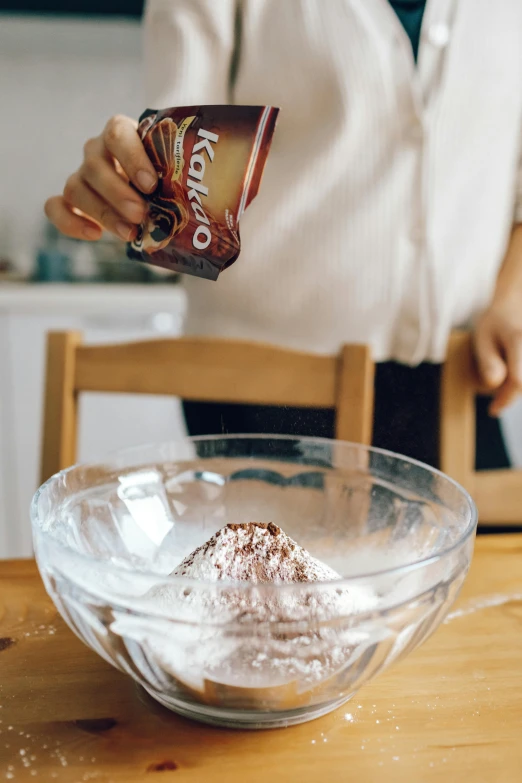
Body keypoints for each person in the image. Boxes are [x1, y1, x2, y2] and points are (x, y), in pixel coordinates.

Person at [45, 0, 522, 469]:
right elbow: (180, 175)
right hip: (263, 389)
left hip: (462, 381)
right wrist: (127, 186)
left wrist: (511, 294)